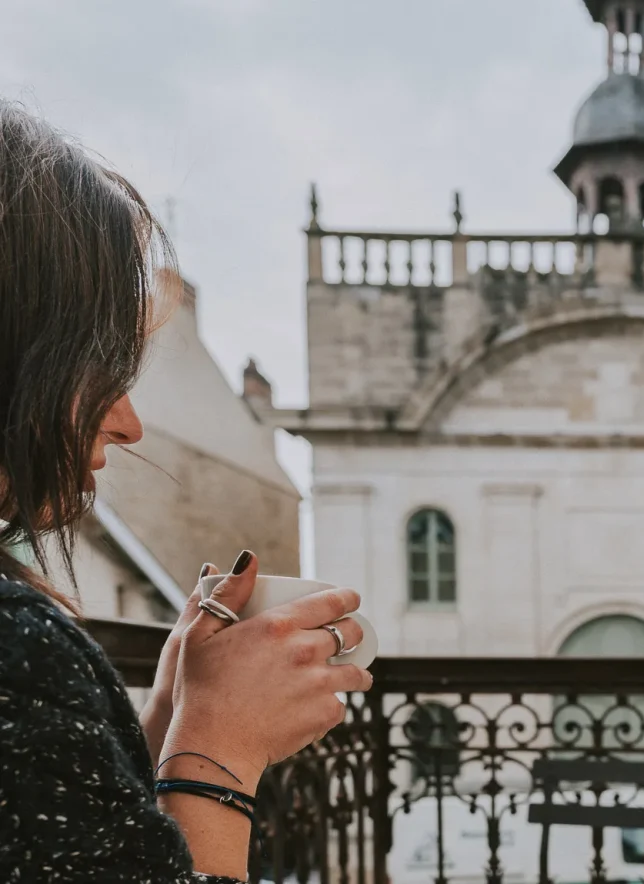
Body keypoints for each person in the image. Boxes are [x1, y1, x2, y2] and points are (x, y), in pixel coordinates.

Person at [0, 99, 372, 882]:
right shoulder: (17, 649)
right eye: (92, 365)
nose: (128, 423)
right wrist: (220, 755)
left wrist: (170, 715)